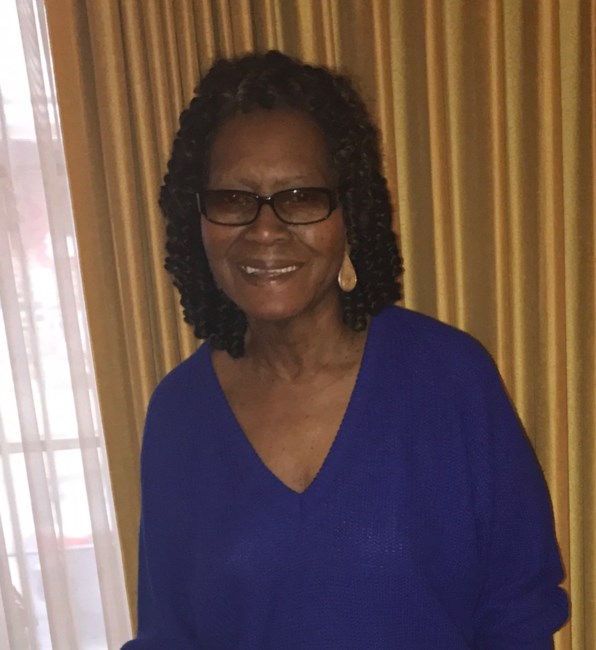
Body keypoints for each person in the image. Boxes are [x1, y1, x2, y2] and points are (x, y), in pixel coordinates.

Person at [122, 51, 568, 649]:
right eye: (233, 199)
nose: (264, 229)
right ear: (196, 221)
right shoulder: (179, 415)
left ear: (349, 214)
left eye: (300, 196)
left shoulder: (452, 381)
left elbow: (518, 615)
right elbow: (168, 637)